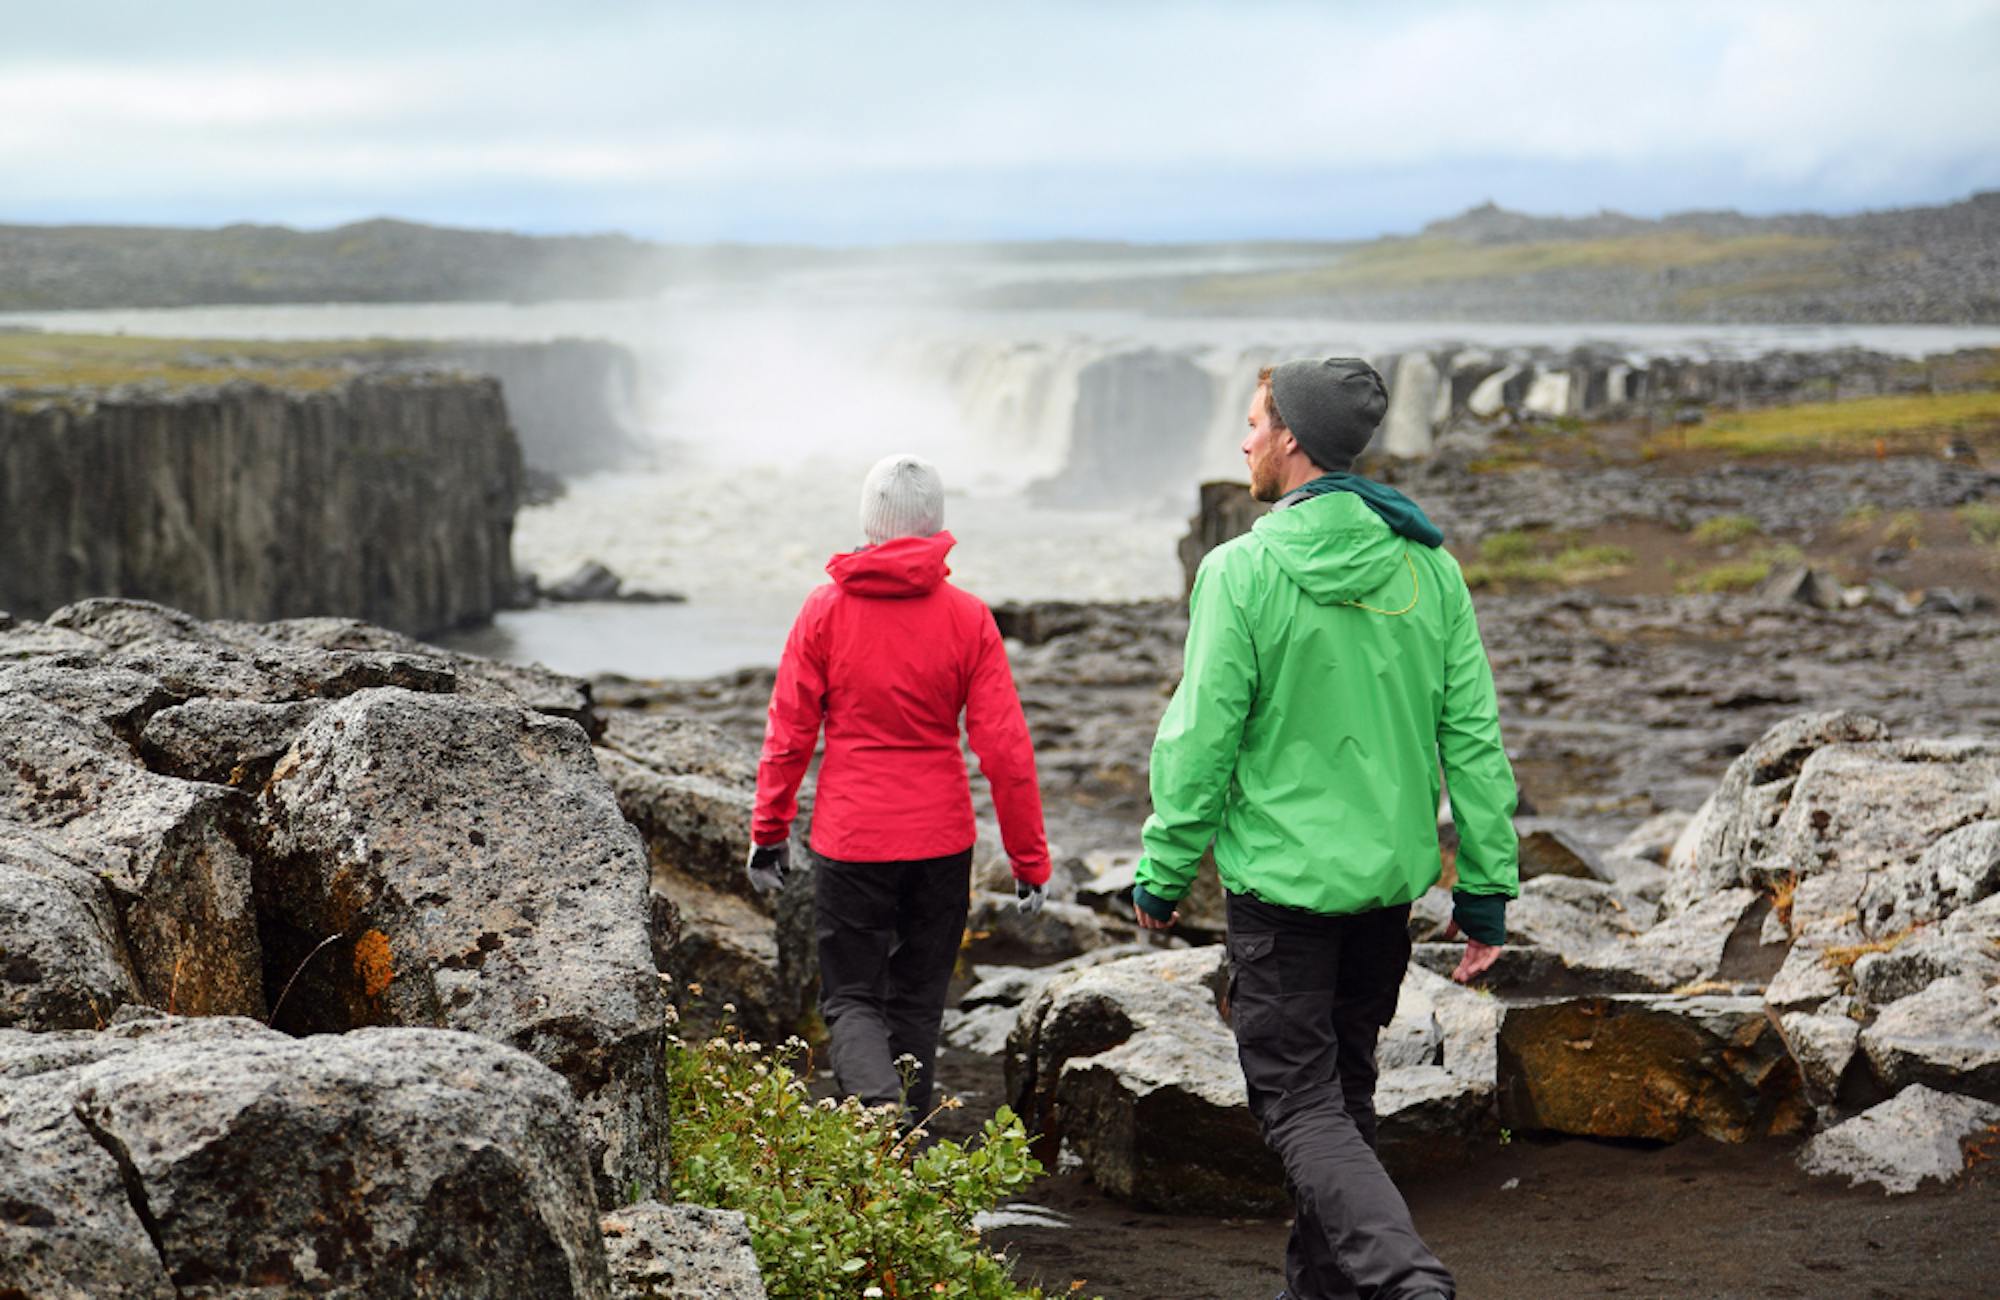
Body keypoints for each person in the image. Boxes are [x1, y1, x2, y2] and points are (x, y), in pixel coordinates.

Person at [1131, 358, 1519, 1300]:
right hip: (1383, 900)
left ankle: (1406, 1276)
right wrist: (1485, 892)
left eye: (1256, 421)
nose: (1244, 440)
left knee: (1300, 1110)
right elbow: (1472, 739)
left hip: (1284, 903)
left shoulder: (1243, 570)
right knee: (1341, 1106)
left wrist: (1162, 870)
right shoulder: (1429, 568)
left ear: (1293, 439)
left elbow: (1201, 737)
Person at [746, 453, 1051, 1125]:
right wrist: (1030, 861)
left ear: (868, 523)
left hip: (853, 837)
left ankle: (876, 1113)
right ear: (935, 525)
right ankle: (902, 1136)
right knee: (917, 999)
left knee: (851, 996)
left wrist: (769, 832)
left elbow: (790, 731)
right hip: (941, 840)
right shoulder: (968, 617)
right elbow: (1006, 752)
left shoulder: (824, 610)